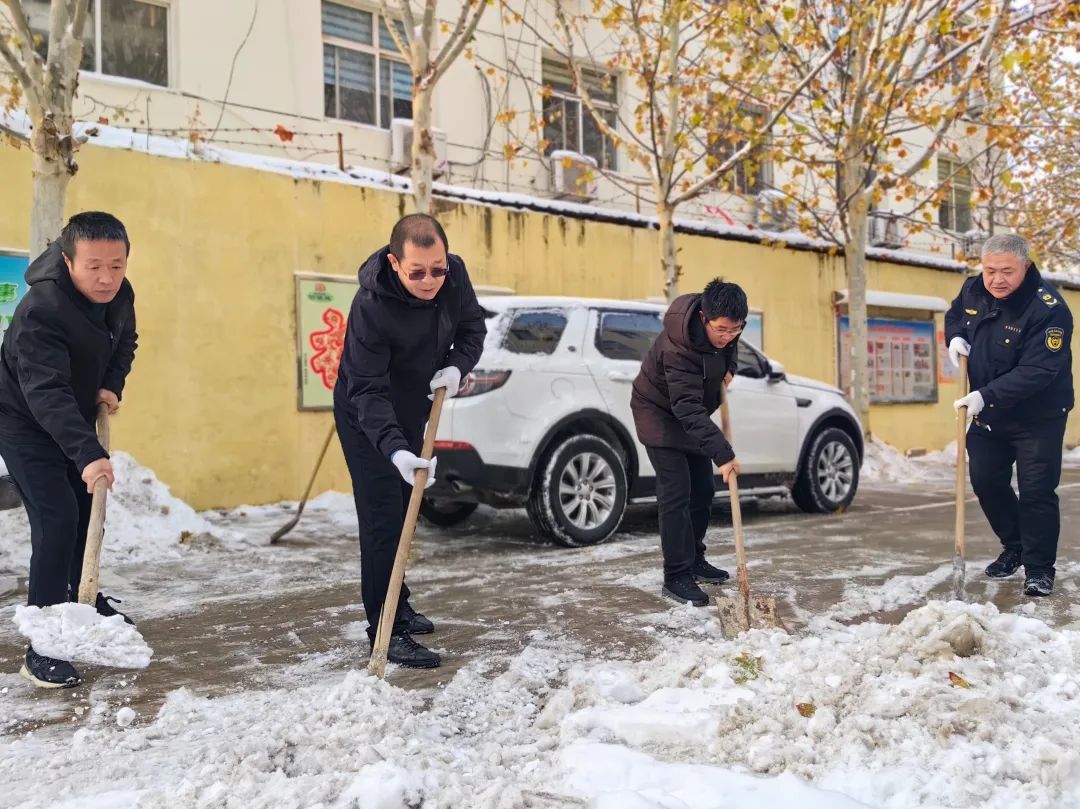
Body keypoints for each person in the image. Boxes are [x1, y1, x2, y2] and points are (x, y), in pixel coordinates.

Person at [334, 213, 486, 668]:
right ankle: (385, 627)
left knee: (405, 510)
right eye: (417, 271)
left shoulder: (453, 275)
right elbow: (367, 389)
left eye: (437, 269)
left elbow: (471, 330)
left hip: (413, 409)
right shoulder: (371, 307)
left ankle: (398, 602)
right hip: (368, 419)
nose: (430, 280)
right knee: (383, 518)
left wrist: (458, 367)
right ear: (394, 263)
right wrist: (395, 449)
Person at [0, 212, 138, 688]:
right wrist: (88, 454)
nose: (106, 278)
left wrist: (109, 385)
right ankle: (43, 646)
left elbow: (126, 344)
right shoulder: (43, 309)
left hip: (71, 413)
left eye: (116, 266)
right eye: (93, 266)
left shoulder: (121, 294)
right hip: (22, 420)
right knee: (57, 516)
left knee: (85, 510)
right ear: (67, 260)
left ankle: (83, 598)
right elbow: (45, 392)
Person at [945, 233, 1073, 597]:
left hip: (1039, 417)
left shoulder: (1049, 309)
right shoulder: (973, 289)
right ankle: (1014, 545)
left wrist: (985, 395)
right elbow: (955, 315)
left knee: (1036, 492)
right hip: (989, 414)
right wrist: (953, 336)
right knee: (986, 481)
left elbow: (1039, 370)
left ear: (1026, 266)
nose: (997, 279)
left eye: (1007, 271)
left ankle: (1038, 569)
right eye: (990, 271)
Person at [631, 278, 744, 607]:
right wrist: (723, 454)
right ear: (704, 318)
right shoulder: (678, 347)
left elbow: (730, 347)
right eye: (721, 330)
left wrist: (730, 366)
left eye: (734, 329)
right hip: (660, 414)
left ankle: (694, 557)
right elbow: (687, 409)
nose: (728, 336)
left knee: (703, 489)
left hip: (690, 415)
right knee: (677, 491)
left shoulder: (726, 330)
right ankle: (676, 574)